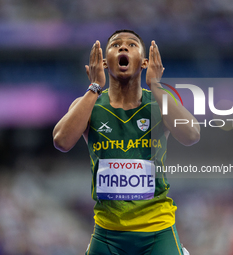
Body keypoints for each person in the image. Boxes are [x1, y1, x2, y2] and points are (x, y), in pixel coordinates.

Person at [53, 29, 200, 255]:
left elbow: (191, 135)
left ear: (144, 62)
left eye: (131, 44)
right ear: (103, 62)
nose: (123, 47)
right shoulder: (88, 105)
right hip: (107, 234)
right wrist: (94, 88)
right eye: (115, 45)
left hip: (158, 231)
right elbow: (61, 141)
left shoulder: (160, 103)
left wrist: (156, 86)